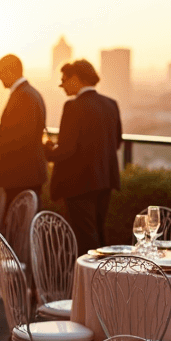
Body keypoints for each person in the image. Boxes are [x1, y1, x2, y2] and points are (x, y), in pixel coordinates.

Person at [44, 58, 122, 254]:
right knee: (99, 233)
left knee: (84, 238)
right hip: (104, 179)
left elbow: (66, 150)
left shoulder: (72, 107)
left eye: (64, 79)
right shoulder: (111, 104)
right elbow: (117, 142)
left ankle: (87, 282)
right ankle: (104, 280)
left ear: (76, 78)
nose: (61, 85)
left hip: (78, 184)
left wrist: (47, 147)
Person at [0, 54, 47, 207]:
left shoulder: (23, 96)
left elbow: (22, 138)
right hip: (26, 174)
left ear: (11, 71)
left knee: (20, 225)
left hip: (21, 175)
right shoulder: (29, 93)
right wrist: (0, 131)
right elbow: (22, 130)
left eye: (0, 71)